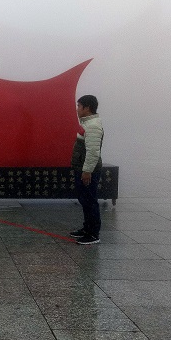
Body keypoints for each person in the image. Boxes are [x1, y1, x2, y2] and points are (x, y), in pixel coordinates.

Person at [69, 95, 104, 245]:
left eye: (79, 106)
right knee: (85, 200)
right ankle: (87, 228)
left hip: (88, 171)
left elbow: (93, 152)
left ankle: (93, 234)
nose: (77, 109)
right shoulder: (87, 124)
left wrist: (87, 171)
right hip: (82, 168)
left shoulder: (93, 126)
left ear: (87, 108)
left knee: (90, 201)